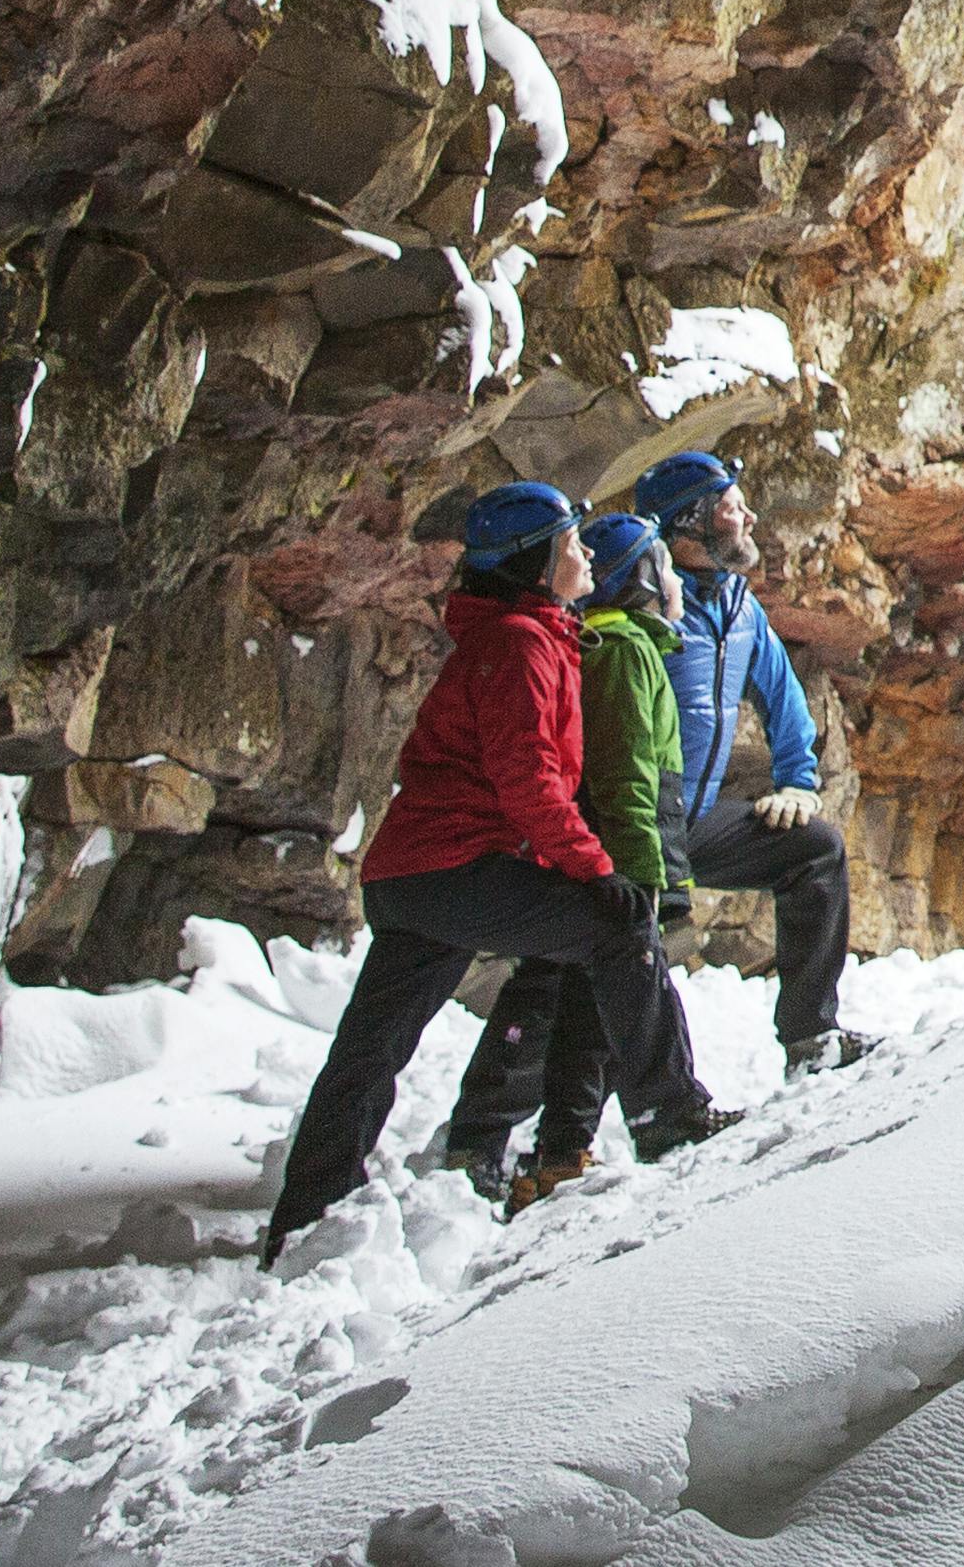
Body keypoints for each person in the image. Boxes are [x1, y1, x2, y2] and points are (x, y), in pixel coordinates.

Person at [256, 483, 697, 1260]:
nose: (586, 554)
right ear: (535, 562)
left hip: (416, 875)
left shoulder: (526, 635)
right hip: (457, 868)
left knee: (372, 1045)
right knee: (616, 927)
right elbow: (530, 781)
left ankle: (306, 1211)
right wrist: (597, 872)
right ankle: (669, 1112)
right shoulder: (523, 644)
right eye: (571, 544)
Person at [440, 507, 730, 1209]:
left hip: (602, 851)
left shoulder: (621, 645)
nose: (674, 581)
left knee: (573, 1000)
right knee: (574, 993)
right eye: (658, 566)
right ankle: (583, 1127)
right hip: (611, 853)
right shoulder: (624, 652)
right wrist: (643, 877)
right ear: (640, 578)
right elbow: (630, 776)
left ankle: (555, 1146)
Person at [631, 449, 872, 1075]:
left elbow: (782, 692)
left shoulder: (737, 603)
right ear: (691, 525)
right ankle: (502, 1130)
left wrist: (798, 781)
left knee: (814, 847)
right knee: (608, 958)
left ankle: (811, 1038)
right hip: (633, 820)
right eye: (734, 508)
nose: (751, 517)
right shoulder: (645, 602)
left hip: (693, 817)